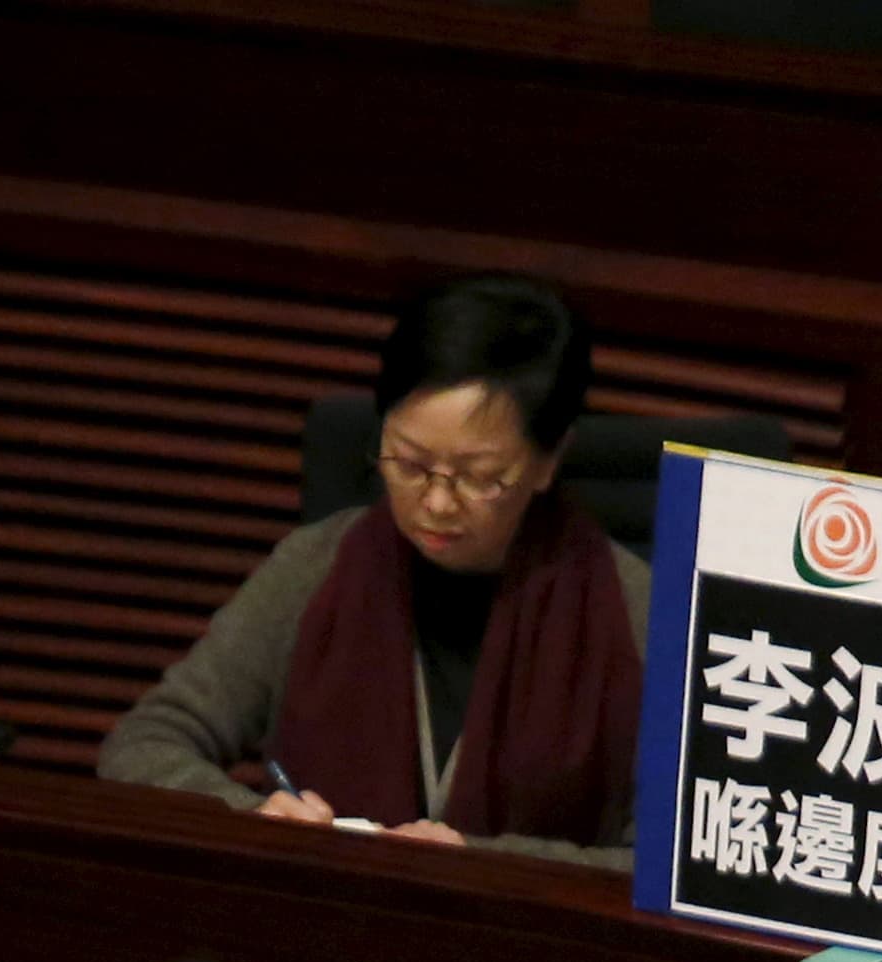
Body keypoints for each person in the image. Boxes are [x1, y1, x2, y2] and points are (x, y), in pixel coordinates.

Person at [98, 276, 649, 868]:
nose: (437, 503)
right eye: (410, 463)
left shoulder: (639, 610)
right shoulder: (316, 566)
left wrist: (486, 863)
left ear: (548, 462)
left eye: (479, 476)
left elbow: (671, 868)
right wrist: (250, 817)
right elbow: (143, 744)